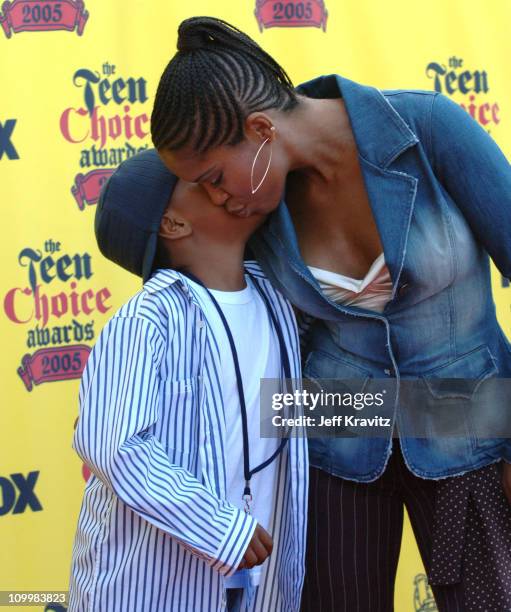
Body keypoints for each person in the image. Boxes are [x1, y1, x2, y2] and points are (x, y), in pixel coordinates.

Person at [149, 16, 511, 612]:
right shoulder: (260, 208)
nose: (216, 198)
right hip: (337, 445)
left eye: (213, 178)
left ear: (261, 128)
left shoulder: (425, 129)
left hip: (466, 430)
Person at [67, 149, 308, 612]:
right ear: (173, 224)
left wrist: (456, 413)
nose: (228, 184)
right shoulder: (148, 319)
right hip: (150, 585)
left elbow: (281, 411)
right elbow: (116, 447)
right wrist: (220, 528)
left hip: (260, 581)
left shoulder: (279, 299)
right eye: (206, 180)